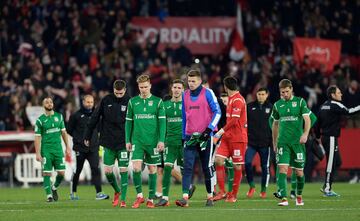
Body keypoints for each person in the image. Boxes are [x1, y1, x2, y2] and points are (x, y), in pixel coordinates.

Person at [175, 69, 221, 207]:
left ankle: (209, 197)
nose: (191, 84)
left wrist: (209, 129)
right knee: (187, 167)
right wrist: (184, 136)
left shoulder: (208, 93)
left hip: (205, 136)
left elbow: (217, 112)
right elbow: (184, 116)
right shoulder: (185, 95)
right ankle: (185, 198)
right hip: (190, 137)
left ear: (200, 81)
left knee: (206, 167)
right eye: (189, 81)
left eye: (193, 81)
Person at [84, 80, 130, 207]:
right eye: (116, 93)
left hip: (123, 142)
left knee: (123, 170)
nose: (118, 95)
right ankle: (117, 191)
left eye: (121, 93)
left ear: (125, 90)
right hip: (108, 142)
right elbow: (95, 117)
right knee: (108, 171)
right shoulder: (106, 100)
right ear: (113, 90)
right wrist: (87, 135)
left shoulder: (130, 102)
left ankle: (123, 200)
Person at [125, 74, 166, 209]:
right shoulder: (132, 102)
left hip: (153, 142)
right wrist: (127, 140)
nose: (143, 90)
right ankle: (139, 196)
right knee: (136, 168)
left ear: (150, 86)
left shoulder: (158, 102)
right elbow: (128, 123)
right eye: (141, 87)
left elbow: (162, 123)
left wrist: (161, 140)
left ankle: (150, 199)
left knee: (152, 169)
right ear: (138, 87)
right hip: (137, 140)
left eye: (145, 87)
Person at [270, 79, 311, 206]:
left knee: (299, 172)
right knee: (282, 169)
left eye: (287, 92)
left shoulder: (300, 102)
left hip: (297, 143)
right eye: (282, 92)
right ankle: (284, 199)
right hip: (283, 143)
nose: (285, 94)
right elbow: (275, 125)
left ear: (291, 89)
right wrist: (275, 142)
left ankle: (299, 196)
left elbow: (307, 119)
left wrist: (305, 134)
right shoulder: (277, 105)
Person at [156, 79, 196, 206]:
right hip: (169, 142)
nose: (177, 90)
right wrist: (160, 140)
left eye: (179, 88)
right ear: (171, 89)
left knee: (185, 170)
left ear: (183, 90)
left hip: (184, 142)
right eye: (175, 87)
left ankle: (185, 198)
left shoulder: (187, 105)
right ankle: (165, 198)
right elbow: (161, 124)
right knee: (167, 168)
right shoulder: (164, 105)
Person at [315, 85, 360, 196]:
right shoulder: (335, 104)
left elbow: (317, 123)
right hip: (330, 137)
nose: (341, 94)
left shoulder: (323, 106)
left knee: (337, 162)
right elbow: (349, 112)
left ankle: (327, 184)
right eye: (339, 92)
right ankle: (327, 188)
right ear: (333, 95)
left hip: (326, 137)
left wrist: (317, 136)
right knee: (331, 162)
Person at [67, 95, 109, 200]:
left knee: (95, 169)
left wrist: (96, 140)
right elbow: (69, 130)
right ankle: (73, 192)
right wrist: (79, 139)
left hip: (93, 147)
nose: (90, 104)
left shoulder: (97, 115)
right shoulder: (76, 116)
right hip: (80, 148)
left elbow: (100, 129)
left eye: (91, 102)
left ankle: (99, 193)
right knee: (78, 170)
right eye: (88, 102)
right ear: (83, 102)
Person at [213, 76, 247, 203]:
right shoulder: (231, 99)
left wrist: (221, 131)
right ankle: (222, 192)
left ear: (225, 87)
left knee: (237, 166)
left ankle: (233, 195)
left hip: (238, 138)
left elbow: (234, 120)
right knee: (218, 160)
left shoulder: (238, 99)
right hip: (228, 138)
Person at [34, 97, 71, 202]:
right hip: (46, 150)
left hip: (58, 149)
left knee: (61, 173)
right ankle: (49, 196)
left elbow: (64, 133)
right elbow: (37, 137)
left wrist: (67, 146)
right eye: (47, 102)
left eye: (51, 102)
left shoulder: (59, 117)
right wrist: (37, 153)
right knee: (47, 173)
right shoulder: (40, 120)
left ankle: (54, 188)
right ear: (43, 105)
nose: (49, 104)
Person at [245, 87, 273, 199]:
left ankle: (263, 190)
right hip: (251, 142)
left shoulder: (271, 108)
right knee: (247, 163)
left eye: (262, 94)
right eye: (259, 94)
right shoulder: (249, 107)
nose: (260, 96)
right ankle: (252, 186)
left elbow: (275, 125)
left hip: (265, 143)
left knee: (265, 167)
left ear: (267, 95)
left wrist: (272, 141)